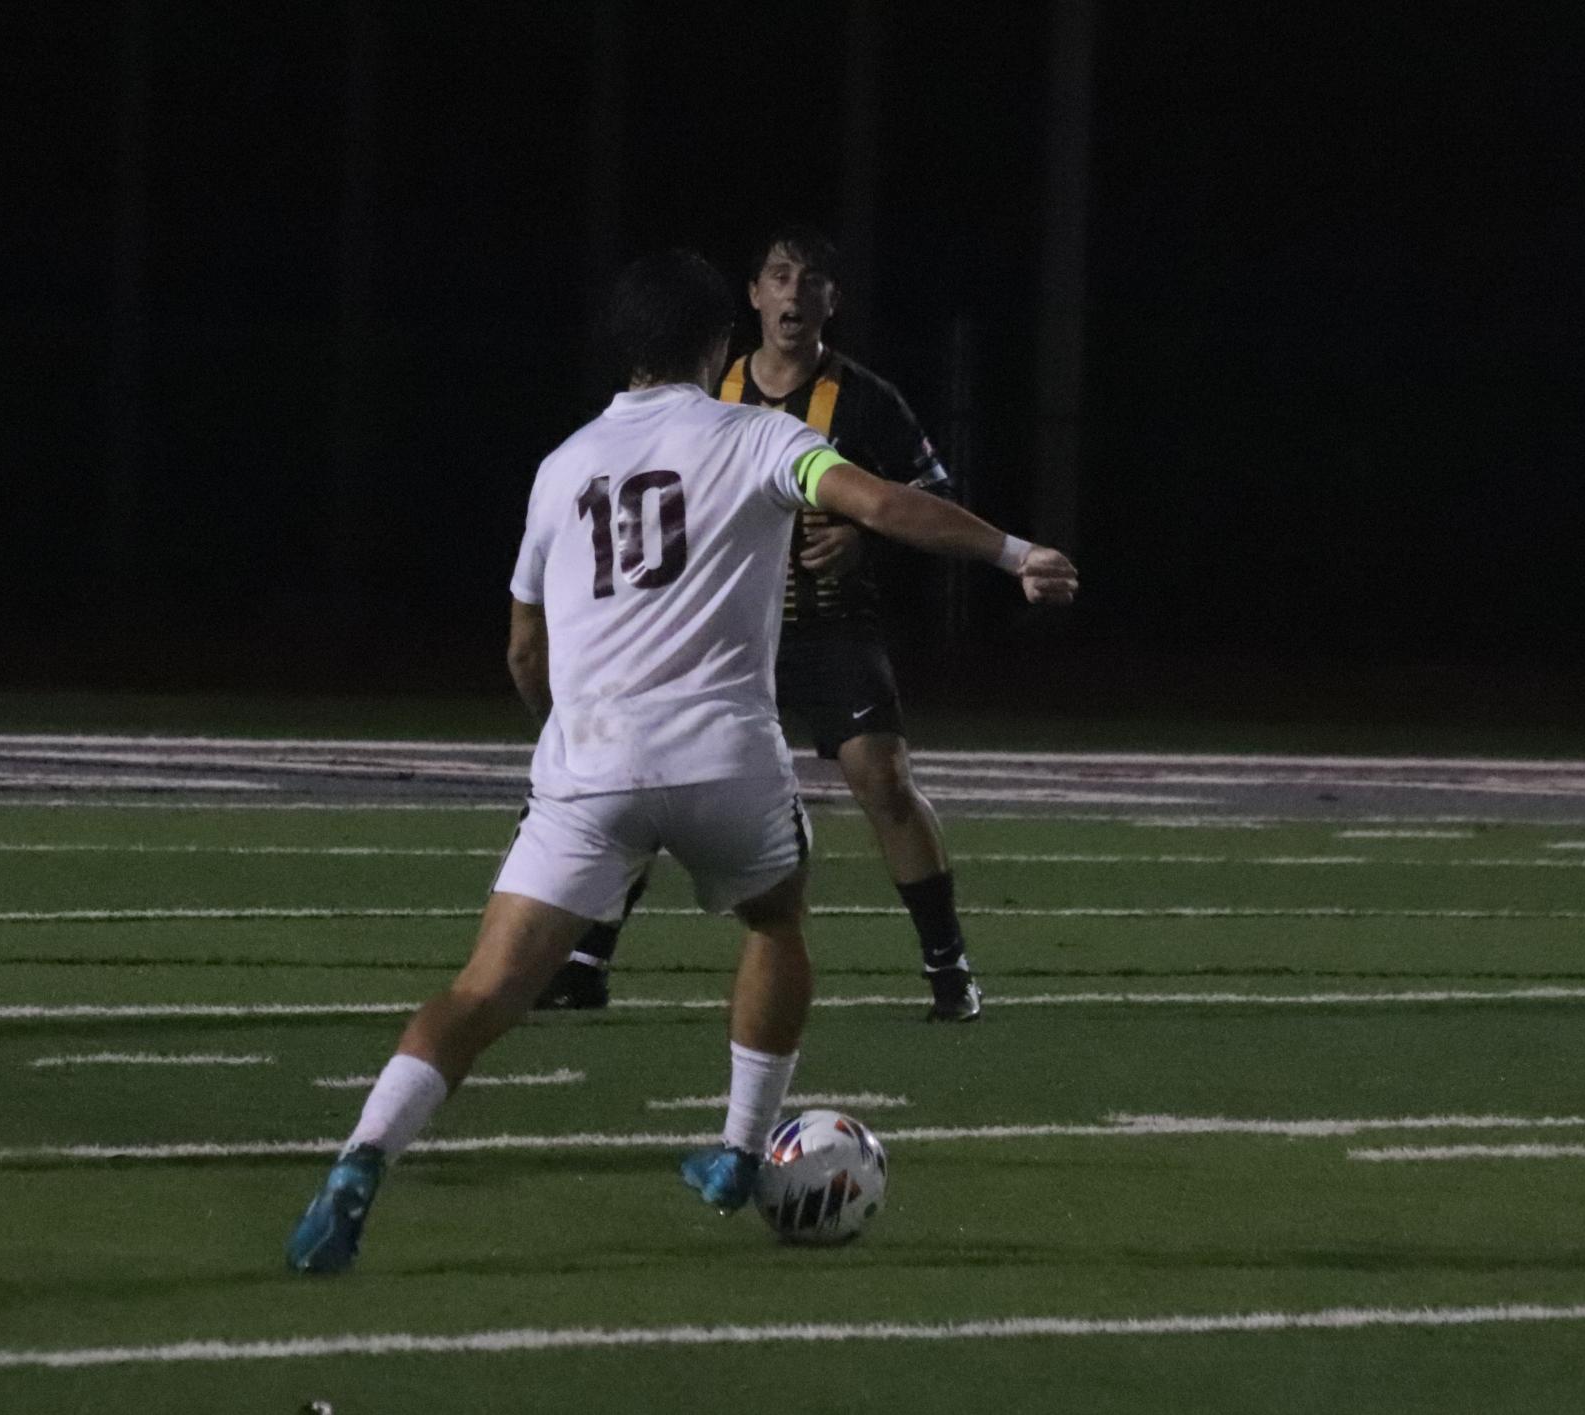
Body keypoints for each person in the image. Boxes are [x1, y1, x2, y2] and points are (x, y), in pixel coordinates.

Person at [285, 249, 1076, 1274]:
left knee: (480, 992)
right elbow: (880, 504)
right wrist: (1016, 554)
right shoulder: (758, 434)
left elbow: (525, 647)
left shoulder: (561, 466)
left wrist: (562, 742)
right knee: (776, 918)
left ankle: (359, 1162)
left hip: (591, 762)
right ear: (721, 343)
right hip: (724, 758)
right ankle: (740, 1151)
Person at [540, 225, 990, 1023]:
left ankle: (948, 967)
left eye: (809, 279)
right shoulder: (708, 397)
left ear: (829, 301)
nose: (792, 293)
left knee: (882, 779)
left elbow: (927, 497)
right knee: (647, 765)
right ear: (752, 296)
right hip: (713, 631)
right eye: (778, 276)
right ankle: (585, 960)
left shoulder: (865, 399)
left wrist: (860, 539)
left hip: (824, 626)